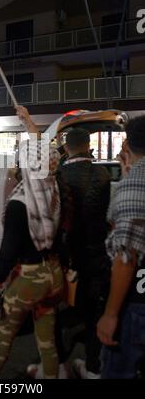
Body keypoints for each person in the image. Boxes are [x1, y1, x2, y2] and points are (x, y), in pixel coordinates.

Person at [0, 106, 64, 379]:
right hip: (52, 274)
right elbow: (42, 153)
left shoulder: (21, 202)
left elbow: (8, 253)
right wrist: (30, 123)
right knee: (47, 340)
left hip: (28, 280)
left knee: (4, 333)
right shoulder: (53, 190)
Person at [26, 124, 111, 379]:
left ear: (66, 148)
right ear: (89, 146)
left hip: (65, 256)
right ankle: (94, 367)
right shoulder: (104, 174)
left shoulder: (59, 175)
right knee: (95, 312)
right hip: (97, 255)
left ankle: (58, 364)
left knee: (55, 312)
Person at [97, 115, 145, 379]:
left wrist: (111, 314)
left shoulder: (133, 186)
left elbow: (126, 257)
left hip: (137, 302)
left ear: (127, 144)